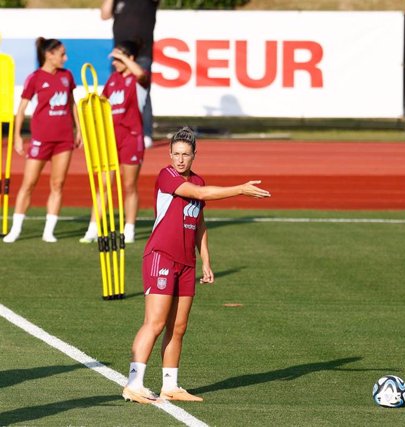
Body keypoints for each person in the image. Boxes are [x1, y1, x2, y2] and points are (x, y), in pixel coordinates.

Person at [122, 127, 270, 404]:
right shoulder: (167, 176)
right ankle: (133, 383)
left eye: (185, 155)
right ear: (170, 154)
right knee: (154, 323)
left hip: (186, 263)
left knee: (178, 327)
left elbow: (198, 223)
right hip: (161, 257)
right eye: (176, 154)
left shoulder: (198, 180)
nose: (180, 159)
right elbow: (201, 194)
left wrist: (206, 261)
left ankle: (170, 385)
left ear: (193, 156)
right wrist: (240, 189)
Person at [3, 38, 82, 243]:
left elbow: (72, 104)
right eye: (62, 54)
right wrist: (18, 137)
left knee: (58, 184)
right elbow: (21, 110)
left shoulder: (67, 76)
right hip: (40, 139)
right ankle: (16, 229)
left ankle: (49, 231)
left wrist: (79, 129)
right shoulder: (35, 78)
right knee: (28, 184)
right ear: (49, 55)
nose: (65, 58)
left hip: (64, 139)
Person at [80, 41, 150, 244]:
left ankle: (129, 229)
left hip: (131, 138)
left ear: (130, 58)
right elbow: (100, 107)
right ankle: (93, 228)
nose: (116, 63)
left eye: (119, 59)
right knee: (103, 185)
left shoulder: (138, 81)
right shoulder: (113, 80)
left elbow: (142, 75)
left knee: (129, 185)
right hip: (110, 139)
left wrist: (125, 58)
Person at [100, 0, 159, 148]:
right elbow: (104, 15)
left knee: (142, 93)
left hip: (142, 54)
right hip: (120, 56)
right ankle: (114, 131)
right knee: (116, 94)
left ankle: (145, 133)